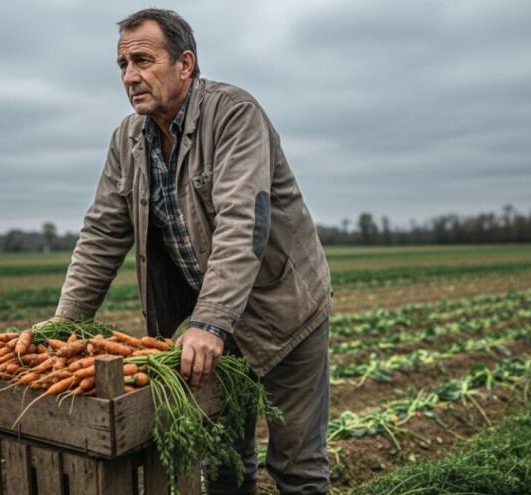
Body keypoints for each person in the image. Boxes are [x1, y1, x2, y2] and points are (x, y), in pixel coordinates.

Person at [39, 8, 332, 494]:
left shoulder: (235, 115)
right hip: (212, 316)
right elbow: (101, 235)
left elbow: (243, 223)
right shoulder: (127, 140)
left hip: (284, 313)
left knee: (298, 469)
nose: (130, 76)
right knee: (222, 466)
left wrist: (210, 322)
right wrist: (65, 322)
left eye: (143, 61)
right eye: (122, 65)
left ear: (185, 64)